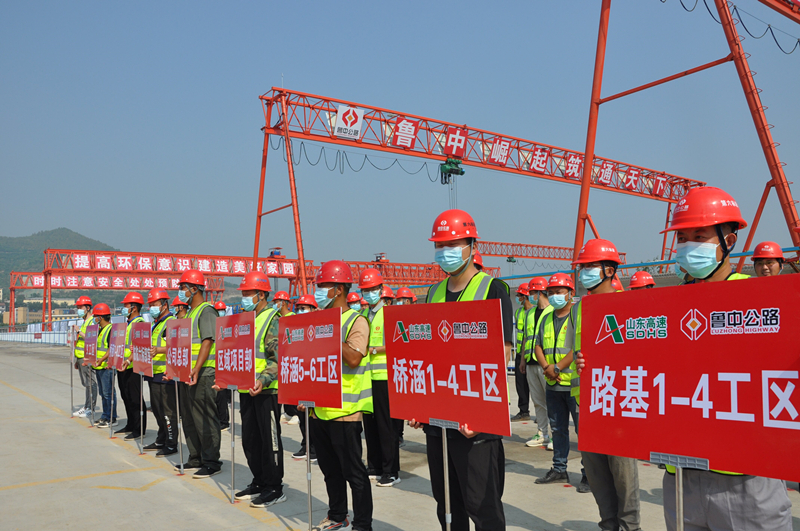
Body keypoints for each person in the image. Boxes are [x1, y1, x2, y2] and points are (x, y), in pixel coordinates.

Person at [575, 187, 792, 531]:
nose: (688, 246)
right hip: (681, 478)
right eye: (682, 238)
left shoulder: (760, 300)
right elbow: (644, 369)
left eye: (699, 237)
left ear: (729, 241)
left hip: (746, 478)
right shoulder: (669, 306)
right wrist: (600, 365)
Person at [409, 209, 513, 531]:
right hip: (438, 422)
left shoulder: (493, 289)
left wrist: (481, 415)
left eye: (453, 244)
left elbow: (501, 354)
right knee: (448, 507)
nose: (445, 252)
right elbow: (425, 353)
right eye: (440, 245)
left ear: (472, 245)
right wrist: (418, 404)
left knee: (483, 508)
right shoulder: (434, 293)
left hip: (475, 425)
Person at [573, 238, 641, 527]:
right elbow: (575, 351)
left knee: (623, 474)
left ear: (610, 271)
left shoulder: (629, 306)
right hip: (588, 404)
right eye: (583, 267)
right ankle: (608, 525)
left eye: (590, 266)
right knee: (597, 475)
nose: (584, 273)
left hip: (621, 403)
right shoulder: (579, 308)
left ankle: (630, 526)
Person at [303, 261, 372, 531]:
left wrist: (329, 332)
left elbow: (354, 358)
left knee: (354, 472)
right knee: (329, 470)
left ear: (339, 289)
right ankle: (337, 515)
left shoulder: (357, 320)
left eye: (324, 286)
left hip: (346, 411)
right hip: (320, 410)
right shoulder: (317, 321)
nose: (319, 292)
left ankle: (363, 524)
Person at [232, 272, 286, 508]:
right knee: (250, 440)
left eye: (248, 293)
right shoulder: (246, 320)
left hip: (267, 391)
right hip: (247, 389)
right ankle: (259, 481)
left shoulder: (272, 319)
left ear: (261, 295)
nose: (244, 297)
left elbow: (278, 358)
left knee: (269, 441)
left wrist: (263, 380)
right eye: (243, 293)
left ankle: (274, 487)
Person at [533, 273, 590, 493]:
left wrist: (556, 368)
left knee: (583, 432)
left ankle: (588, 474)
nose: (554, 295)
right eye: (551, 292)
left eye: (559, 291)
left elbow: (578, 347)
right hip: (552, 383)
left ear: (570, 293)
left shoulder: (577, 315)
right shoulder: (546, 316)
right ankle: (559, 468)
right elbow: (538, 345)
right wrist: (547, 368)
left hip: (574, 385)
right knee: (557, 429)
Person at [173, 270, 222, 479]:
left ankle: (211, 461)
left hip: (203, 373)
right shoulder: (190, 314)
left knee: (205, 418)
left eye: (182, 287)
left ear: (194, 289)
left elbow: (207, 341)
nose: (180, 291)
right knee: (190, 417)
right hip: (188, 373)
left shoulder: (206, 311)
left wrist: (196, 368)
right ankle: (196, 457)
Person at [359, 268, 402, 487]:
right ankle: (374, 465)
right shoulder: (364, 315)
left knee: (387, 426)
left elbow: (399, 341)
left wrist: (374, 350)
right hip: (367, 377)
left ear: (381, 289)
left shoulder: (389, 314)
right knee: (370, 424)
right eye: (365, 290)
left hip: (385, 376)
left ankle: (391, 470)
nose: (369, 293)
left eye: (372, 289)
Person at [520, 277, 553, 449]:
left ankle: (555, 435)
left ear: (540, 292)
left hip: (546, 363)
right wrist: (522, 360)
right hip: (531, 363)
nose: (530, 296)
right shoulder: (529, 313)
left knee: (552, 401)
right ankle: (542, 434)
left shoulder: (553, 311)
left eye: (532, 292)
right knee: (538, 401)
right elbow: (526, 337)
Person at [144, 289, 178, 457]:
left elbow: (177, 344)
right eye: (150, 305)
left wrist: (159, 350)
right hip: (153, 373)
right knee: (157, 410)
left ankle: (171, 443)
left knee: (168, 412)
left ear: (165, 305)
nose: (152, 308)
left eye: (155, 304)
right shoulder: (156, 324)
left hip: (166, 374)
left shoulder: (171, 322)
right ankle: (161, 438)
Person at [290, 293, 318, 462]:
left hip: (314, 377)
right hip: (300, 375)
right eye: (298, 308)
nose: (300, 311)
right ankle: (306, 445)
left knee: (313, 415)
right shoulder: (295, 328)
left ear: (313, 309)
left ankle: (315, 448)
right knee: (301, 414)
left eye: (304, 308)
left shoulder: (320, 326)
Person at [117, 292, 148, 440]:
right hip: (123, 366)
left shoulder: (140, 323)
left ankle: (139, 428)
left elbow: (140, 346)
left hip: (134, 367)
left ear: (134, 308)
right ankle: (130, 424)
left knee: (135, 398)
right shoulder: (128, 324)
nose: (124, 308)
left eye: (126, 305)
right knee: (126, 396)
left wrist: (129, 360)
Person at [86, 303, 117, 428]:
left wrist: (102, 359)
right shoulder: (99, 330)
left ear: (101, 317)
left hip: (106, 367)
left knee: (108, 393)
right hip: (99, 366)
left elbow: (111, 348)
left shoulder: (110, 329)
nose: (94, 318)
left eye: (96, 316)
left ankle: (111, 417)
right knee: (103, 394)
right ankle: (105, 415)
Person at [73, 296, 97, 418]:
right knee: (86, 383)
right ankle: (87, 406)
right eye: (77, 307)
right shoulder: (84, 322)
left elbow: (91, 338)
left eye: (80, 307)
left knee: (90, 383)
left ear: (87, 308)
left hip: (87, 357)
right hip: (80, 357)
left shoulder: (92, 321)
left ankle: (90, 407)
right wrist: (76, 359)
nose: (78, 310)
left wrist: (78, 331)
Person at [512, 283, 532, 422]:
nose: (518, 298)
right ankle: (523, 411)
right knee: (521, 385)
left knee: (536, 387)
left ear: (525, 296)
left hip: (532, 355)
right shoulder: (518, 312)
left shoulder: (536, 312)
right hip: (520, 353)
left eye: (519, 295)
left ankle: (543, 414)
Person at [213, 301, 231, 432]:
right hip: (216, 362)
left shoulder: (229, 324)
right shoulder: (214, 325)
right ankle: (220, 419)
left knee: (222, 395)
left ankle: (224, 421)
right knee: (218, 396)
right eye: (219, 310)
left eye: (222, 310)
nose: (221, 312)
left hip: (225, 362)